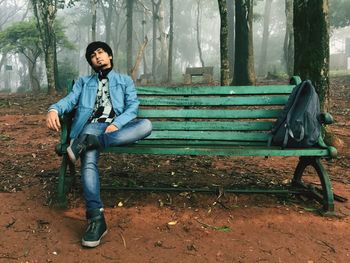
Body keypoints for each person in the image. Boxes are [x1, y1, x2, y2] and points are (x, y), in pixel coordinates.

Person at [46, 41, 152, 248]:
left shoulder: (124, 80)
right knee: (88, 163)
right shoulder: (84, 83)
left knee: (146, 125)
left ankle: (87, 143)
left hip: (117, 128)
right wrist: (53, 109)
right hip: (92, 127)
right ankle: (96, 219)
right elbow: (69, 101)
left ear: (110, 56)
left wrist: (117, 124)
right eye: (93, 55)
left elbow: (133, 107)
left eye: (101, 52)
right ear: (91, 62)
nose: (98, 57)